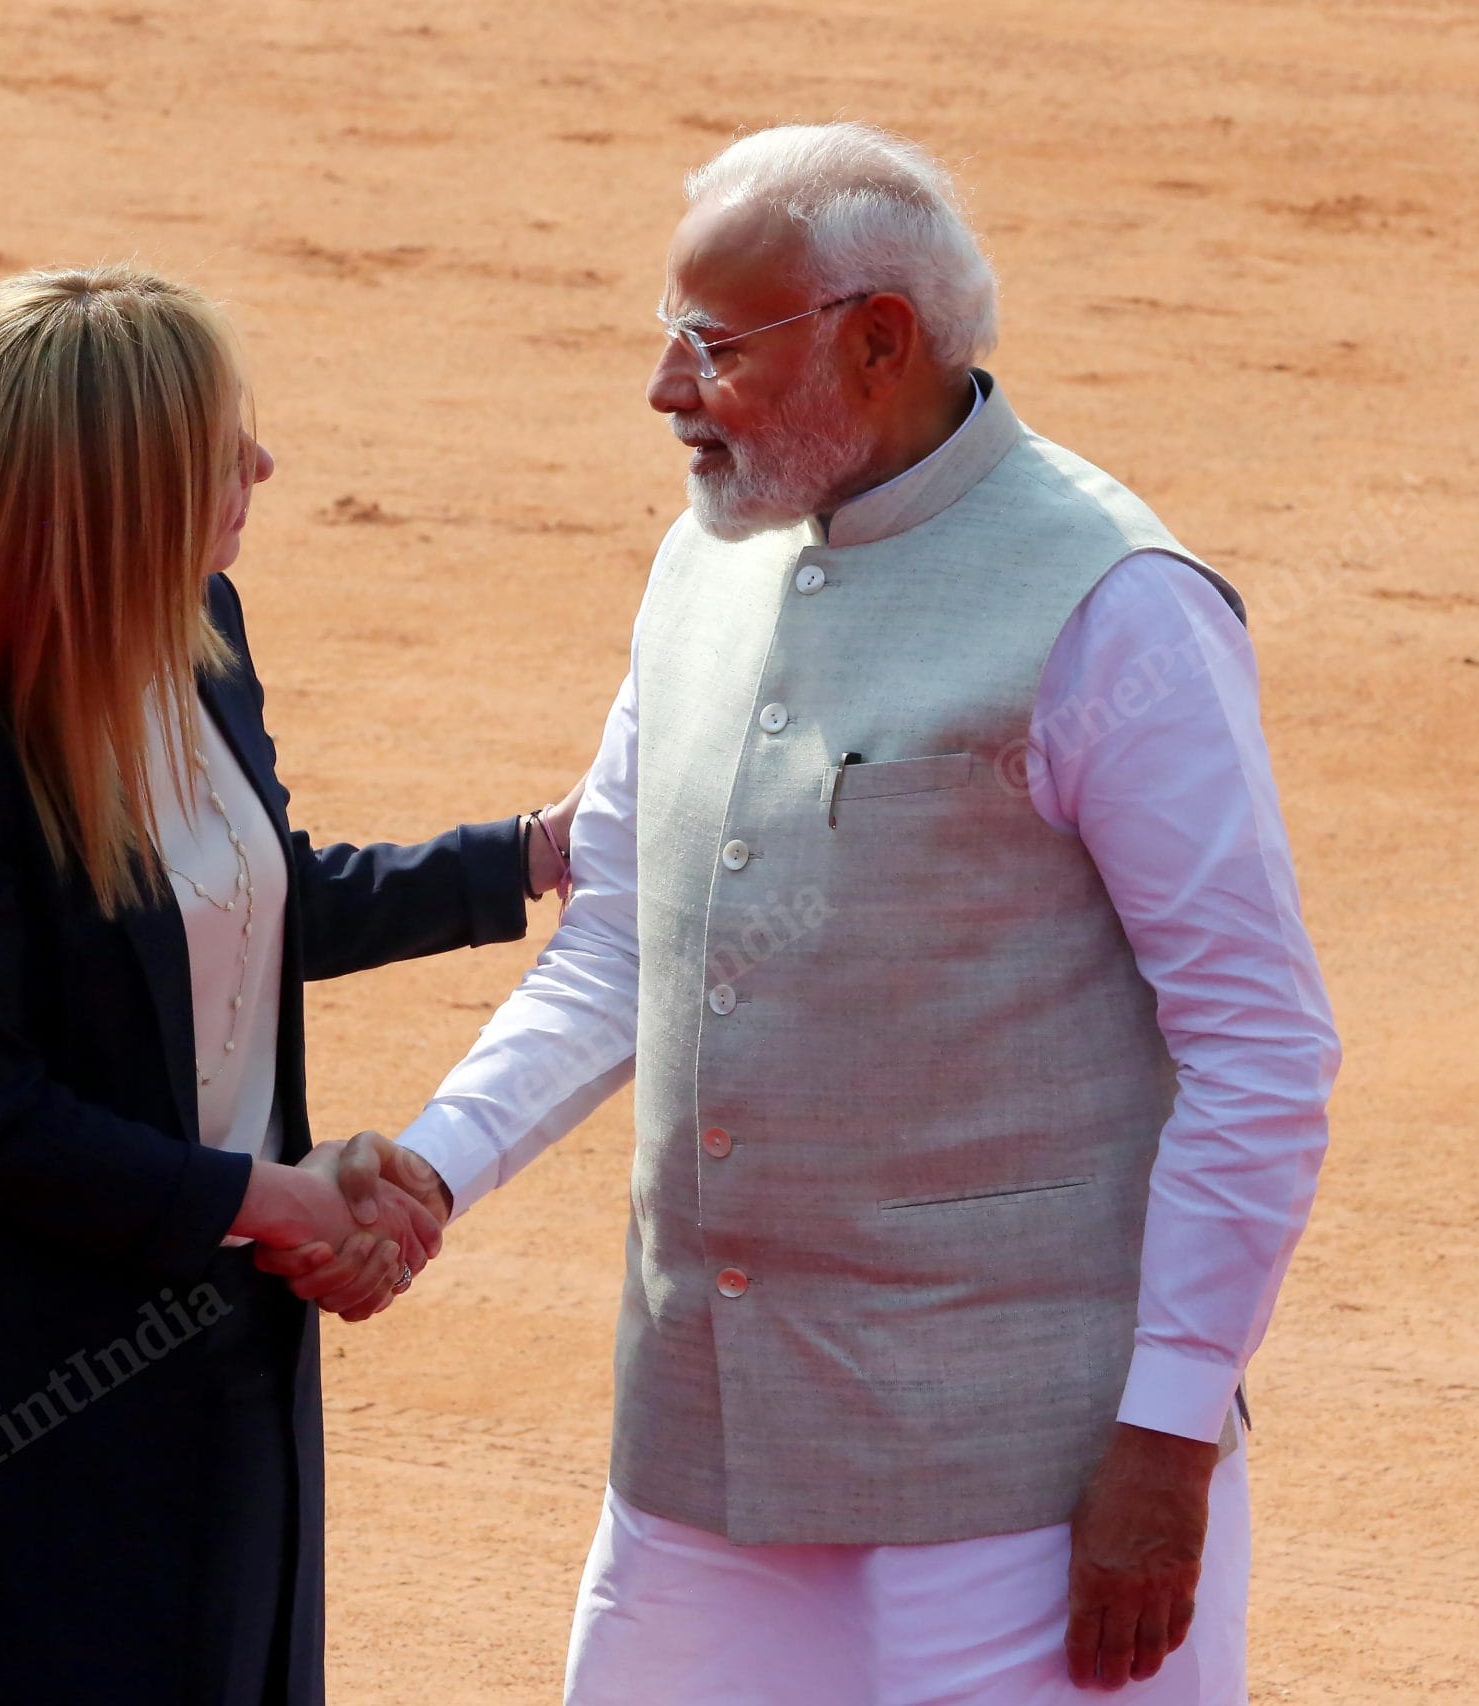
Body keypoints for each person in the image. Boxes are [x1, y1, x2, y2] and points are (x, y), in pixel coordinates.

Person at [335, 123, 1341, 1702]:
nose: (668, 388)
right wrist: (436, 1169)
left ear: (880, 341)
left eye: (715, 347)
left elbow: (1259, 1047)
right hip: (707, 1448)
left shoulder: (1119, 608)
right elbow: (622, 940)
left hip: (1015, 1484)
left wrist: (1167, 1433)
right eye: (670, 337)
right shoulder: (703, 562)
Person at [0, 264, 576, 1706]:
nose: (260, 464)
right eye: (216, 440)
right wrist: (264, 1198)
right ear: (110, 488)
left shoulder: (199, 633)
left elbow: (239, 906)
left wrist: (528, 857)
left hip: (195, 1356)